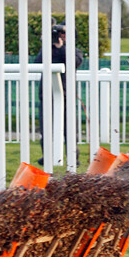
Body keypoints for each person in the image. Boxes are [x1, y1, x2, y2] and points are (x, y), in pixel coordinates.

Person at [35, 22, 84, 165]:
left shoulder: (73, 50)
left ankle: (73, 158)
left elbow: (75, 62)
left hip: (66, 96)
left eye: (64, 33)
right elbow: (37, 63)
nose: (60, 36)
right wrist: (47, 45)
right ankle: (47, 157)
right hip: (46, 94)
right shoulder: (48, 49)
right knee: (46, 129)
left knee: (69, 130)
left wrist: (61, 47)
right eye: (59, 33)